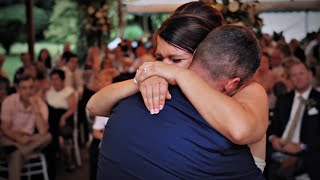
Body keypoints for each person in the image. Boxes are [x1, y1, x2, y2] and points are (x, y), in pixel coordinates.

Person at [87, 1, 268, 172]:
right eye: (159, 58)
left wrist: (178, 75)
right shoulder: (161, 79)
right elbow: (94, 106)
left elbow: (241, 131)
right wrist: (141, 80)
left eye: (176, 60)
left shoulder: (246, 90)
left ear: (205, 56)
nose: (165, 66)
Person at [267, 61, 320, 180]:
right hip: (279, 148)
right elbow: (272, 128)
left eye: (301, 73)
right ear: (290, 78)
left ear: (310, 75)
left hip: (306, 151)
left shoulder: (318, 100)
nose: (298, 78)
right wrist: (273, 138)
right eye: (294, 75)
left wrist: (301, 146)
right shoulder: (283, 100)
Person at [0, 75, 51, 180]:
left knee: (47, 137)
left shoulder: (41, 104)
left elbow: (42, 131)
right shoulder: (9, 101)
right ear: (18, 89)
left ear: (35, 88)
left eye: (31, 87)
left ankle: (16, 150)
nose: (28, 91)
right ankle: (19, 149)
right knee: (4, 140)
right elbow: (5, 128)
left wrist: (35, 107)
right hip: (10, 137)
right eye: (24, 88)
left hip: (29, 139)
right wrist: (19, 139)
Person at [46, 69, 77, 171]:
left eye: (57, 79)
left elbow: (72, 108)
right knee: (56, 136)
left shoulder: (68, 91)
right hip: (52, 119)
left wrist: (63, 117)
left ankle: (67, 160)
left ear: (62, 79)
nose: (54, 81)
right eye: (52, 79)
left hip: (65, 117)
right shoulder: (49, 92)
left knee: (60, 138)